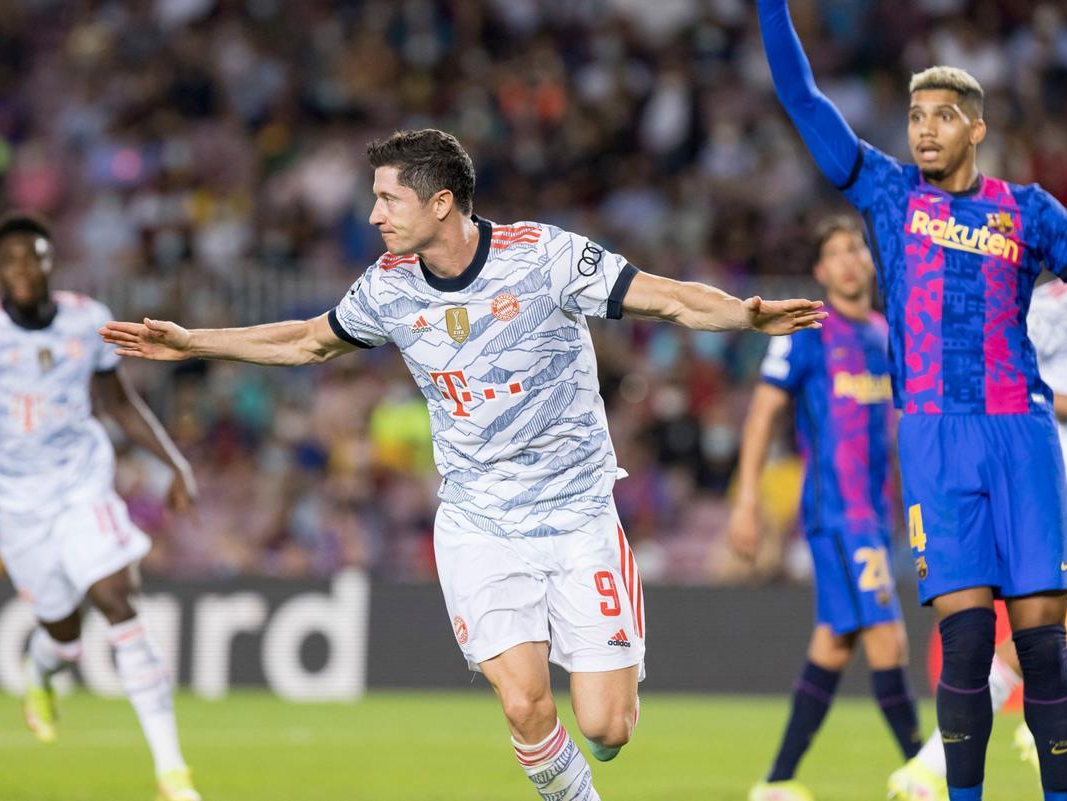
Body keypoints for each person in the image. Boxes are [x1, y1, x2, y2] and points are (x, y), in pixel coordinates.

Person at [101, 128, 826, 801]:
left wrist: (742, 315)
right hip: (479, 520)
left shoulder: (542, 256)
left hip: (578, 517)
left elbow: (662, 297)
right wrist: (194, 343)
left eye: (389, 197)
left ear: (440, 202)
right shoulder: (388, 285)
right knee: (523, 702)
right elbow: (306, 341)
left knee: (606, 727)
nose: (375, 213)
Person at [756, 3, 1067, 800]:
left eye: (944, 116)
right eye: (917, 115)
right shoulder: (887, 195)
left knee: (1044, 648)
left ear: (976, 129)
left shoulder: (1029, 212)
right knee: (962, 645)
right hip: (933, 437)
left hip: (1021, 434)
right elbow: (800, 96)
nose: (924, 129)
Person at [0, 214, 201, 801]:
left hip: (82, 485)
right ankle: (43, 669)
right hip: (16, 503)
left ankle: (172, 772)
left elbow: (119, 405)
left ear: (51, 263)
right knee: (65, 633)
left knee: (117, 599)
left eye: (35, 258)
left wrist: (174, 464)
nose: (24, 270)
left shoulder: (87, 320)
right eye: (11, 261)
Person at [894, 176, 1067, 795]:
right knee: (1022, 635)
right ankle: (1056, 725)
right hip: (1060, 473)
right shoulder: (1051, 304)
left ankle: (927, 767)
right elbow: (1005, 363)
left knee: (1032, 642)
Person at [731, 215, 918, 801]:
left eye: (855, 247)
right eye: (834, 251)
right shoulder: (807, 331)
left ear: (868, 260)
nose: (847, 259)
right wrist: (746, 500)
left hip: (876, 511)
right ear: (819, 270)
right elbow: (763, 412)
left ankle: (778, 780)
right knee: (887, 640)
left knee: (834, 644)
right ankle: (925, 771)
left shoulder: (887, 334)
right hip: (836, 510)